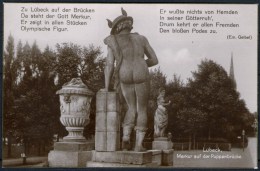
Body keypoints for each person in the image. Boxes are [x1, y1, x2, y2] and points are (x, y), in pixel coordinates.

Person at [104, 8, 158, 151]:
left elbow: (109, 65)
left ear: (116, 28)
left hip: (124, 72)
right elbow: (154, 60)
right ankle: (139, 145)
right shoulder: (141, 38)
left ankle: (126, 137)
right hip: (141, 71)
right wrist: (141, 66)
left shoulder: (112, 41)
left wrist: (106, 87)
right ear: (129, 24)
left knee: (131, 108)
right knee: (142, 109)